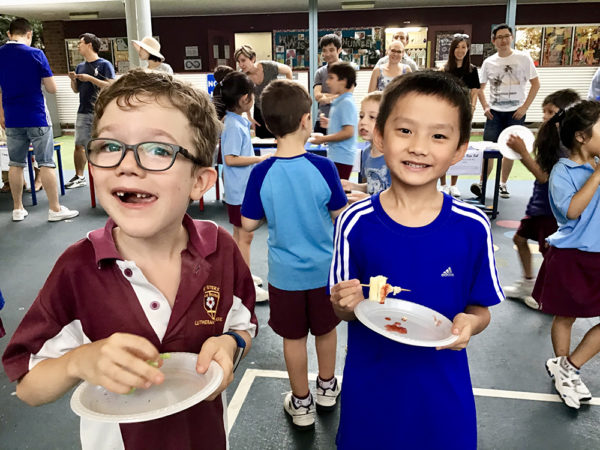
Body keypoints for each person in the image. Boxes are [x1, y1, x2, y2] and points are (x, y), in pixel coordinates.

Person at [2, 69, 257, 449]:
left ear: (200, 182)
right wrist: (78, 361)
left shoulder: (220, 249)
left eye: (159, 150)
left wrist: (232, 343)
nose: (127, 164)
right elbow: (27, 386)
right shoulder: (77, 270)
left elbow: (243, 324)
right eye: (109, 145)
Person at [329, 71, 503, 449]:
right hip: (371, 394)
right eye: (405, 130)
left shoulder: (472, 226)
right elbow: (344, 309)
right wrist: (344, 303)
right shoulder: (354, 222)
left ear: (459, 150)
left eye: (438, 136)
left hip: (443, 397)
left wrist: (470, 323)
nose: (419, 147)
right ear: (379, 137)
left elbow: (481, 309)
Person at [241, 79, 347, 430]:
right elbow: (339, 214)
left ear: (268, 125)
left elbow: (248, 223)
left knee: (293, 338)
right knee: (326, 331)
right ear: (306, 120)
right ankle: (327, 388)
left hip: (284, 275)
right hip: (324, 272)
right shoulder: (324, 167)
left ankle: (301, 403)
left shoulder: (261, 172)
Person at [531, 100, 600, 410]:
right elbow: (571, 210)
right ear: (581, 137)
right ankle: (564, 368)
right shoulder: (563, 170)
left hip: (597, 254)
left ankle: (569, 366)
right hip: (572, 255)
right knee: (566, 316)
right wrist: (597, 175)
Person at [503, 89, 580, 307]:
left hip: (552, 210)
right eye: (544, 111)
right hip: (539, 205)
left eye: (551, 112)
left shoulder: (565, 145)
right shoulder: (551, 138)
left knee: (551, 255)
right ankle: (528, 283)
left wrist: (523, 153)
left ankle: (550, 295)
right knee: (520, 239)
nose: (545, 116)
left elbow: (544, 177)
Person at [0, 17, 79, 222]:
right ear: (29, 34)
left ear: (9, 34)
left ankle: (18, 209)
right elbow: (52, 88)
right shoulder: (36, 54)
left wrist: (1, 114)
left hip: (12, 118)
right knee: (46, 163)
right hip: (37, 115)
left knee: (15, 164)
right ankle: (54, 209)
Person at [471, 24, 540, 199]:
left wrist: (524, 107)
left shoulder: (523, 58)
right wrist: (485, 106)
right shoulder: (489, 62)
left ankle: (503, 184)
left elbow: (535, 84)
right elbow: (479, 88)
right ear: (493, 41)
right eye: (499, 37)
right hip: (494, 112)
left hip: (515, 112)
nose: (503, 40)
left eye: (506, 36)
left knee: (510, 150)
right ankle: (482, 183)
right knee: (489, 149)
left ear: (512, 37)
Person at [220, 71, 271, 302]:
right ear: (245, 99)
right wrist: (259, 159)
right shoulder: (233, 125)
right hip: (239, 191)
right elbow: (230, 159)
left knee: (241, 235)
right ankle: (244, 282)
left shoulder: (235, 121)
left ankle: (240, 275)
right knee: (245, 237)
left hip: (240, 189)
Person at [66, 32, 115, 189]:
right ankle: (80, 176)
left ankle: (107, 176)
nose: (78, 46)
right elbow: (76, 90)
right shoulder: (80, 66)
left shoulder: (104, 64)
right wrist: (73, 80)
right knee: (79, 145)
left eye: (80, 43)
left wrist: (90, 79)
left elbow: (111, 85)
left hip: (101, 112)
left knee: (102, 145)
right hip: (83, 110)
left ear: (89, 45)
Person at [439, 34, 480, 198]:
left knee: (458, 147)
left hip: (464, 114)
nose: (460, 50)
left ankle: (454, 184)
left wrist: (472, 108)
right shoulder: (445, 69)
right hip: (446, 113)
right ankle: (443, 184)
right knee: (443, 146)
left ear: (467, 49)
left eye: (464, 47)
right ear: (452, 49)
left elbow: (475, 92)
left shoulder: (472, 70)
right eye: (457, 47)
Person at [310, 62, 358, 180]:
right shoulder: (340, 101)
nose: (327, 82)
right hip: (337, 156)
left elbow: (348, 132)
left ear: (343, 81)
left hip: (342, 157)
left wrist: (323, 139)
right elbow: (344, 125)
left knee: (339, 188)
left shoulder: (346, 103)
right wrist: (330, 123)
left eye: (331, 78)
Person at [341, 91, 390, 202]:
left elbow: (399, 197)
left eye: (372, 117)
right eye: (361, 116)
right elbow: (373, 185)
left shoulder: (393, 156)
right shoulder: (366, 153)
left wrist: (369, 199)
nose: (363, 122)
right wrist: (353, 186)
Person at [234, 44, 292, 139]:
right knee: (262, 143)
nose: (241, 65)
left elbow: (288, 70)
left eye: (243, 60)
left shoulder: (268, 66)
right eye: (238, 61)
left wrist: (288, 94)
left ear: (253, 59)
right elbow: (246, 97)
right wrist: (249, 117)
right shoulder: (242, 76)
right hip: (259, 112)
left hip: (276, 110)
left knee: (280, 140)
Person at [313, 33, 343, 134]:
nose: (327, 54)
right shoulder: (320, 72)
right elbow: (317, 96)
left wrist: (325, 98)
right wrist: (335, 97)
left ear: (339, 50)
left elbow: (346, 95)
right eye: (324, 50)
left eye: (331, 50)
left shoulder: (347, 70)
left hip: (340, 120)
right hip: (321, 120)